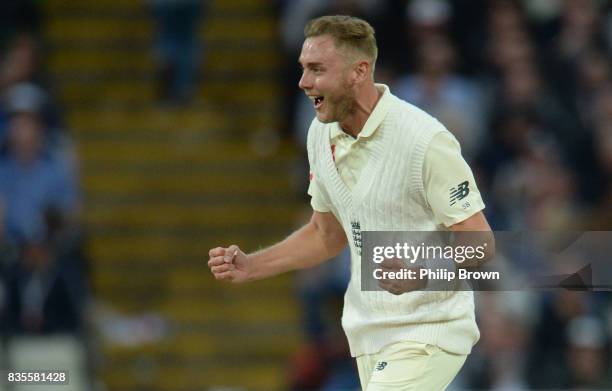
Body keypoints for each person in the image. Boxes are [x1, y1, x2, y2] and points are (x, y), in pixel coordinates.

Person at [208, 15, 493, 390]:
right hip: (367, 334)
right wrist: (253, 266)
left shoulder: (425, 141)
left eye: (316, 69)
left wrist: (420, 271)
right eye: (303, 69)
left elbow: (481, 245)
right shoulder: (318, 134)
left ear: (359, 71)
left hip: (430, 329)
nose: (303, 82)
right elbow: (325, 234)